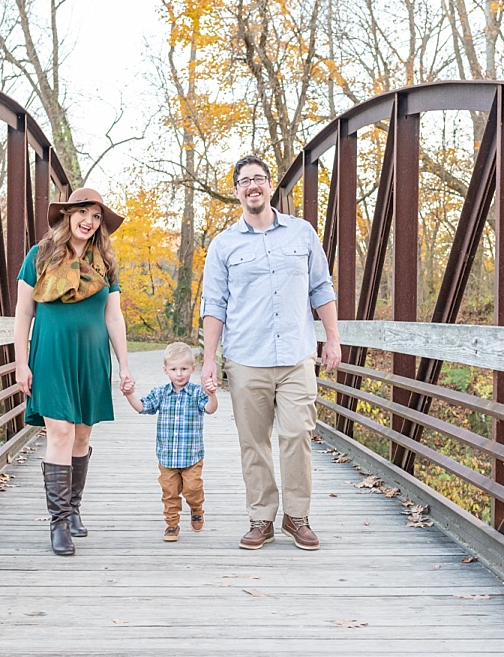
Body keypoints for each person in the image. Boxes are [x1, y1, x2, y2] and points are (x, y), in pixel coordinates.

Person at [199, 155, 341, 551]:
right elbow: (214, 304)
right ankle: (261, 518)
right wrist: (209, 360)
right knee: (254, 441)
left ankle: (297, 517)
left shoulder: (301, 233)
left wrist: (332, 338)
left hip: (296, 355)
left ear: (270, 184)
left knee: (298, 433)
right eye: (244, 181)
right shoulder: (223, 245)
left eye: (258, 178)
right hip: (246, 357)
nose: (252, 186)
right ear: (236, 191)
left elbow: (321, 288)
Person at [14, 187, 135, 556]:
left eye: (96, 216)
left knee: (81, 436)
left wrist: (124, 365)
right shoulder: (39, 256)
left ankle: (74, 508)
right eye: (83, 212)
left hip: (91, 358)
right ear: (68, 215)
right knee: (61, 432)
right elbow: (23, 313)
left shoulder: (105, 263)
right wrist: (21, 362)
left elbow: (113, 316)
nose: (89, 221)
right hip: (51, 355)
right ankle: (59, 522)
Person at [121, 342, 219, 541]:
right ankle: (172, 524)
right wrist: (129, 394)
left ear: (193, 368)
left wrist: (212, 394)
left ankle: (196, 508)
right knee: (169, 492)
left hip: (191, 455)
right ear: (166, 370)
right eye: (174, 369)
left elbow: (210, 409)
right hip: (167, 457)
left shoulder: (196, 393)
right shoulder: (160, 393)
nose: (179, 374)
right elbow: (142, 407)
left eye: (184, 369)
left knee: (192, 488)